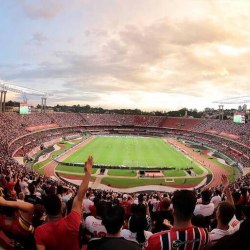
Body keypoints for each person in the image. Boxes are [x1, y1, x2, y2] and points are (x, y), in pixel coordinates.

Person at [34, 156, 93, 250]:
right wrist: (88, 172)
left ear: (45, 210)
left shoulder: (39, 231)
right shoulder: (72, 221)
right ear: (61, 208)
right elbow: (80, 196)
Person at [143, 190, 209, 250]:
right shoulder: (204, 233)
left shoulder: (155, 240)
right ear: (193, 210)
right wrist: (171, 227)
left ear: (173, 211)